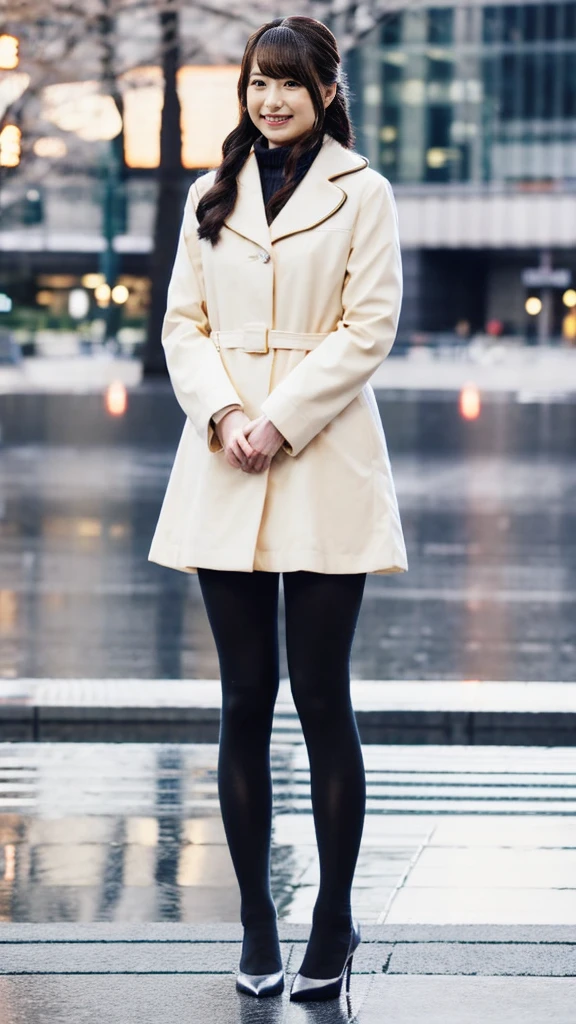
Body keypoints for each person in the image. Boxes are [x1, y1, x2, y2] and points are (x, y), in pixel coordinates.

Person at [148, 14, 408, 1003]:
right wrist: (222, 409)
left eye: (291, 84)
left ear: (326, 91)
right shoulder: (209, 192)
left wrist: (279, 419)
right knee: (243, 701)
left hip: (323, 454)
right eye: (260, 81)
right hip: (223, 458)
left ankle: (332, 916)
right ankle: (257, 915)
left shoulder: (363, 191)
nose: (271, 99)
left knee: (321, 698)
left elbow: (368, 324)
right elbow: (183, 320)